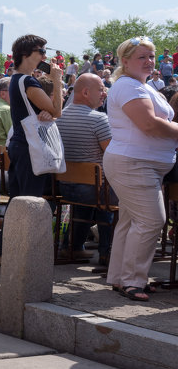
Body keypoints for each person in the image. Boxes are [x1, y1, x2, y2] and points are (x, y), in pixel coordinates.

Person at [103, 36, 178, 302]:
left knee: (132, 220)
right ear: (125, 61)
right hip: (133, 163)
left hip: (141, 163)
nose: (148, 62)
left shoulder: (141, 86)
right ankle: (133, 280)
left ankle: (121, 278)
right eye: (141, 57)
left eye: (151, 56)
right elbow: (149, 124)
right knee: (151, 221)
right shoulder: (128, 86)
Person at [1, 35, 64, 264]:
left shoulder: (15, 79)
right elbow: (57, 111)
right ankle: (22, 256)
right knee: (29, 201)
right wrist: (57, 81)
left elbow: (48, 112)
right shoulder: (28, 81)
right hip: (29, 147)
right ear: (27, 54)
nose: (45, 56)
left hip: (18, 144)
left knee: (17, 200)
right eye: (41, 51)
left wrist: (45, 113)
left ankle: (4, 252)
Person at [56, 73, 114, 264]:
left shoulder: (58, 117)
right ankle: (107, 253)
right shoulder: (99, 119)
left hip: (63, 186)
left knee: (87, 199)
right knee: (115, 196)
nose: (104, 93)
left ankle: (71, 247)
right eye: (101, 89)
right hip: (93, 191)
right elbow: (112, 154)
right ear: (86, 92)